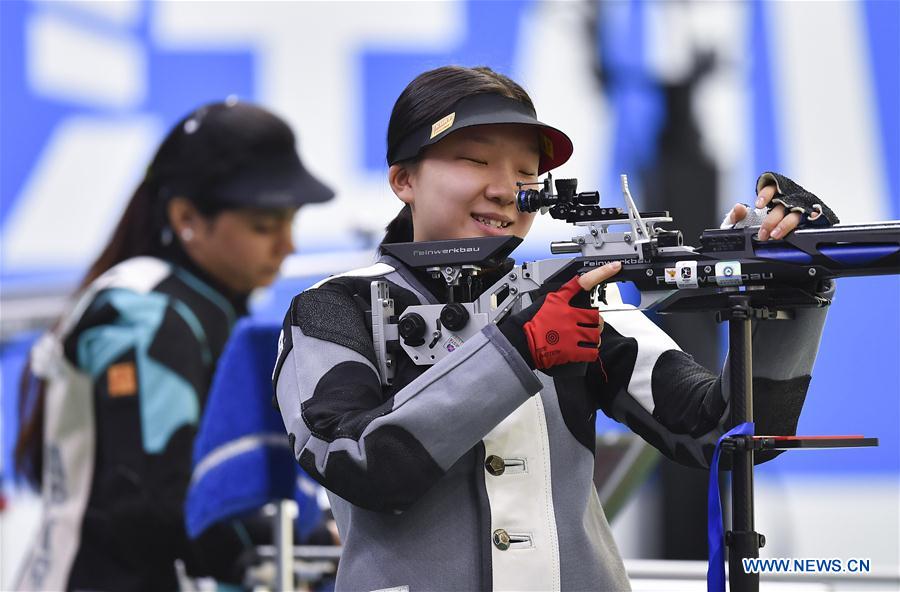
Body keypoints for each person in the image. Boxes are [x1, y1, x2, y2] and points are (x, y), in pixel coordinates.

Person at [272, 66, 837, 591]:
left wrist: (794, 292)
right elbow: (358, 462)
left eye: (526, 172)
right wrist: (517, 350)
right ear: (403, 180)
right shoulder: (333, 307)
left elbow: (724, 434)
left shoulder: (576, 296)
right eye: (474, 161)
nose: (507, 190)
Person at [14, 99, 334, 591]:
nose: (287, 245)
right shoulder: (148, 315)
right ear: (186, 216)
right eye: (265, 225)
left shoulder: (196, 305)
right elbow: (154, 502)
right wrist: (309, 542)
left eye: (291, 221)